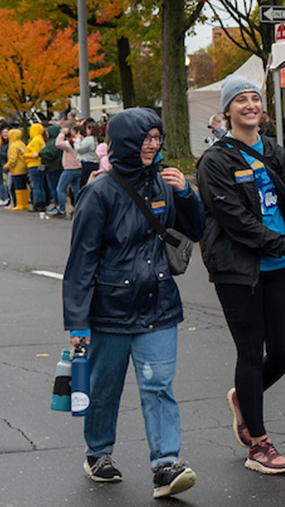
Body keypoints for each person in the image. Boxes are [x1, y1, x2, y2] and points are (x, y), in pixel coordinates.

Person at [62, 108, 204, 498]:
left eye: (157, 138)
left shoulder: (163, 184)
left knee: (158, 386)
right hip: (108, 310)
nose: (153, 145)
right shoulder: (99, 192)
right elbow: (81, 260)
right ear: (125, 140)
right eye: (146, 138)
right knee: (105, 389)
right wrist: (77, 321)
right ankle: (98, 452)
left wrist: (186, 195)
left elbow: (194, 231)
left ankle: (166, 464)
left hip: (158, 305)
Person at [198, 75, 285, 475]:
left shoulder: (276, 151)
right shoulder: (216, 160)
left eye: (255, 99)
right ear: (227, 110)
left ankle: (244, 399)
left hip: (279, 264)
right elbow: (236, 221)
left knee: (282, 351)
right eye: (241, 100)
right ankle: (259, 445)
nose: (249, 105)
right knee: (250, 350)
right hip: (238, 267)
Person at [55, 124, 82, 216]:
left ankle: (62, 209)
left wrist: (62, 133)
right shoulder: (82, 141)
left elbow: (58, 143)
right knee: (76, 190)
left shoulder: (71, 143)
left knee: (60, 189)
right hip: (79, 167)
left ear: (75, 132)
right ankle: (78, 208)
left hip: (70, 168)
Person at [6, 127, 29, 211]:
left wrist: (7, 166)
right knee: (24, 186)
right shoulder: (22, 143)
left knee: (18, 187)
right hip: (24, 167)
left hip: (16, 169)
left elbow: (13, 159)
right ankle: (25, 204)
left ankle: (19, 204)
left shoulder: (13, 145)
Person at [25, 123, 46, 211]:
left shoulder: (35, 141)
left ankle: (38, 203)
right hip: (40, 164)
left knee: (36, 185)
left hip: (33, 164)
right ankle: (43, 203)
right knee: (40, 185)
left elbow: (34, 154)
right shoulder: (41, 139)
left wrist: (25, 153)